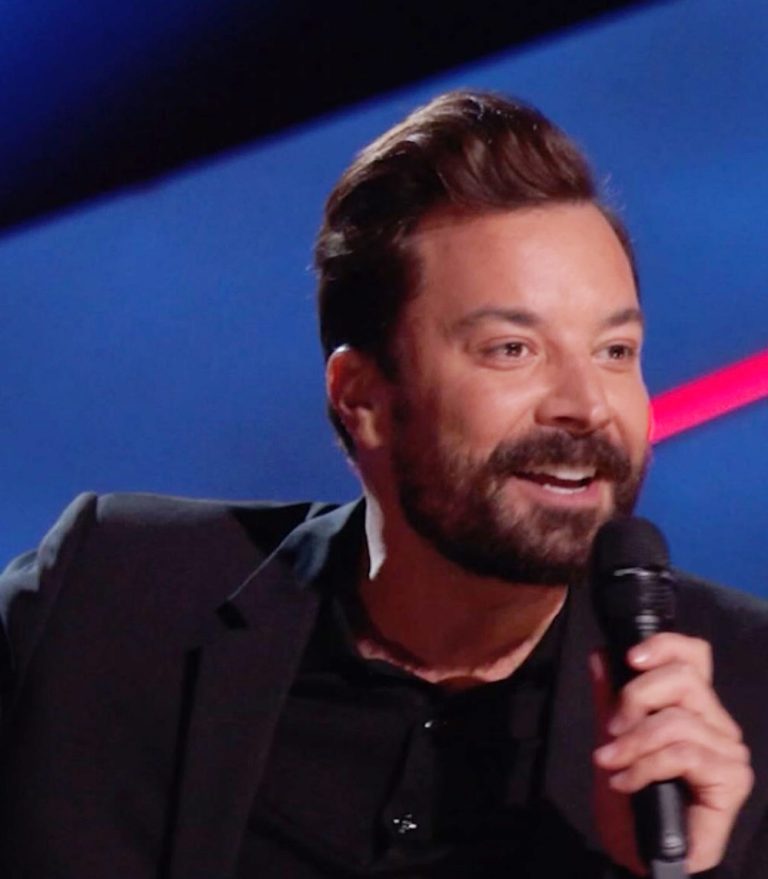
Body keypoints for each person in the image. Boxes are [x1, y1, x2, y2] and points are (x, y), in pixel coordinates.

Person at [0, 90, 766, 879]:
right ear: (362, 398)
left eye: (615, 351)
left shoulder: (746, 707)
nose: (586, 406)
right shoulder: (105, 598)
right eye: (511, 349)